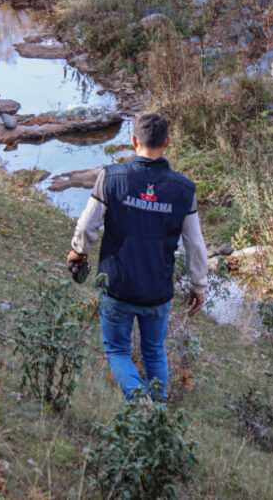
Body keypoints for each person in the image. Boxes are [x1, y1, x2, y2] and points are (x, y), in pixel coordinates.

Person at [67, 112, 208, 401]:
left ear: (133, 141)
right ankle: (157, 416)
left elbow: (87, 225)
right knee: (154, 351)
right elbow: (195, 243)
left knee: (117, 350)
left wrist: (78, 251)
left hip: (117, 285)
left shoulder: (111, 177)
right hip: (157, 290)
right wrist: (199, 285)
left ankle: (140, 403)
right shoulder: (184, 190)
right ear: (167, 142)